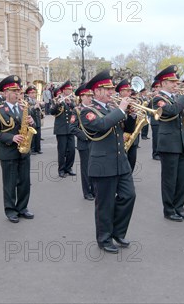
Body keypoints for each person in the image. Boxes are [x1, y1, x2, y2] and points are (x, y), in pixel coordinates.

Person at [78, 70, 135, 254]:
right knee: (105, 203)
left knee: (129, 196)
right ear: (96, 91)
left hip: (120, 161)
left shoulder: (112, 108)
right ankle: (104, 238)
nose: (112, 92)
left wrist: (131, 115)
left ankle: (118, 232)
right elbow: (101, 126)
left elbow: (127, 129)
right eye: (107, 89)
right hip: (102, 164)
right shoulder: (88, 111)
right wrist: (120, 110)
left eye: (111, 88)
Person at [0, 75, 35, 223]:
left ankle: (22, 207)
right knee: (10, 183)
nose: (17, 94)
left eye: (18, 91)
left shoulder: (23, 108)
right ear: (5, 93)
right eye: (14, 91)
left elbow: (29, 127)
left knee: (25, 182)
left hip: (23, 152)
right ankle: (10, 210)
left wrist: (31, 122)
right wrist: (11, 138)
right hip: (8, 152)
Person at [152, 65, 184, 220]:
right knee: (170, 180)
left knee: (182, 179)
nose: (176, 84)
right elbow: (171, 111)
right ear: (163, 83)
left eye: (176, 82)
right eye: (172, 82)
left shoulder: (176, 98)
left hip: (181, 142)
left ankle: (179, 207)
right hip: (168, 143)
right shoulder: (158, 99)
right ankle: (169, 209)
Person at [69, 84, 95, 200]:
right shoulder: (77, 110)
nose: (90, 98)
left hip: (95, 142)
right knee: (86, 169)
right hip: (84, 143)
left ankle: (94, 189)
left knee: (95, 166)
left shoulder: (94, 108)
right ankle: (87, 192)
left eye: (91, 95)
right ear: (81, 96)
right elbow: (72, 127)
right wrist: (85, 136)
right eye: (88, 96)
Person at [50, 80, 76, 177]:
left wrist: (70, 104)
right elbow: (52, 112)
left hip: (70, 128)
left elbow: (76, 110)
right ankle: (61, 170)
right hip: (61, 129)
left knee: (72, 150)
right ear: (64, 90)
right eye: (68, 89)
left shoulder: (72, 100)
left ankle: (69, 168)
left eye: (71, 89)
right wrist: (58, 104)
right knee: (62, 151)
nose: (70, 91)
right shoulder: (56, 99)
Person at [116, 79, 139, 172]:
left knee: (132, 161)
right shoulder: (114, 103)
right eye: (127, 91)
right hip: (120, 138)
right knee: (121, 165)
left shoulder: (133, 102)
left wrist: (133, 114)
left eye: (130, 91)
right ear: (121, 92)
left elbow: (131, 126)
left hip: (132, 138)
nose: (130, 93)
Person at [25, 85, 44, 154]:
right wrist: (34, 107)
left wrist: (41, 105)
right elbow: (27, 111)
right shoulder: (26, 101)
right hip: (31, 120)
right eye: (32, 93)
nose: (33, 94)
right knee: (32, 136)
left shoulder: (36, 100)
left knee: (38, 135)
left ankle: (37, 149)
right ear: (28, 94)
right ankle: (32, 149)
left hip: (37, 119)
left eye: (34, 93)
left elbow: (40, 109)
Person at [149, 80, 161, 160]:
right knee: (156, 138)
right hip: (155, 120)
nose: (157, 89)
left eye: (159, 87)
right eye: (156, 87)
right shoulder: (153, 98)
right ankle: (155, 153)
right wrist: (153, 98)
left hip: (162, 120)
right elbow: (150, 109)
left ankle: (160, 152)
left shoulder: (163, 96)